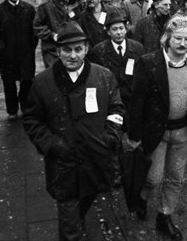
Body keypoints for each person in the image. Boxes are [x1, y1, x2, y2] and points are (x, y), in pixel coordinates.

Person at [22, 21, 125, 241]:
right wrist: (51, 144)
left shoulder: (103, 77)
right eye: (67, 50)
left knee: (84, 201)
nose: (73, 55)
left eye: (78, 49)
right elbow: (32, 119)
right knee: (70, 226)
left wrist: (111, 136)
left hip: (95, 158)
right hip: (64, 165)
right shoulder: (42, 83)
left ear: (86, 49)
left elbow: (116, 108)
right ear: (58, 51)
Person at [127, 16, 187, 240]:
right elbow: (137, 101)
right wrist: (134, 135)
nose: (182, 43)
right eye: (178, 38)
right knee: (154, 177)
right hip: (156, 130)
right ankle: (143, 196)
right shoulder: (149, 62)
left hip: (183, 131)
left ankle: (165, 216)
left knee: (176, 177)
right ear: (167, 38)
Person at [0, 0, 37, 121]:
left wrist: (30, 47)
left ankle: (25, 106)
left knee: (27, 81)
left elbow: (35, 32)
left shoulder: (29, 9)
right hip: (7, 55)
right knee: (9, 82)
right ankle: (12, 110)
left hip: (25, 54)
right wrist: (1, 49)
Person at [33, 0, 81, 68]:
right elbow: (37, 26)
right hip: (51, 49)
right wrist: (52, 35)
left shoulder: (72, 6)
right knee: (53, 76)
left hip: (69, 49)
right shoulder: (46, 5)